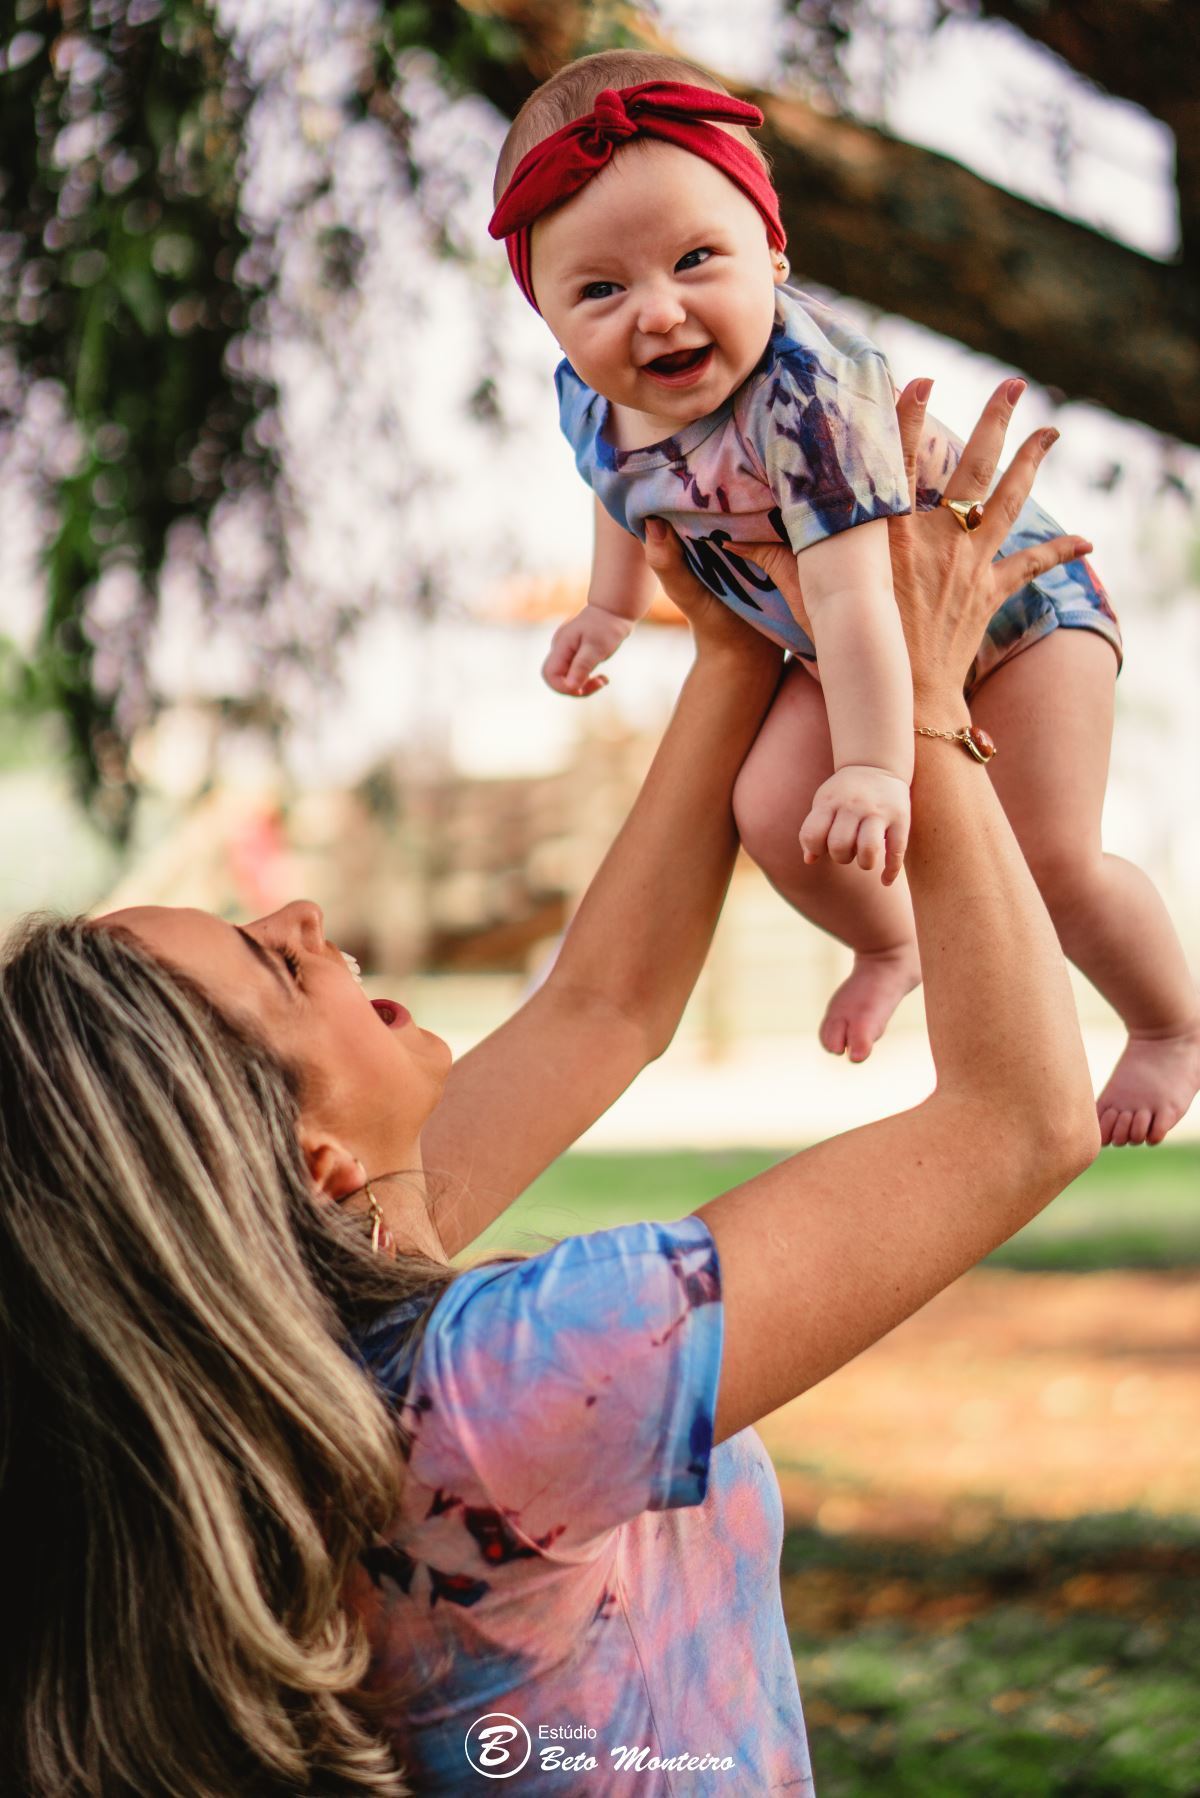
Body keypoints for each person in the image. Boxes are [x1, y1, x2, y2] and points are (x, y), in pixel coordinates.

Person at [1, 380, 1099, 1795]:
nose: (303, 919)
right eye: (274, 971)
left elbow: (605, 1005)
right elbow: (1019, 1122)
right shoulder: (499, 1391)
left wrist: (725, 647)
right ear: (302, 1157)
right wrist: (929, 707)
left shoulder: (310, 1366)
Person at [489, 48, 1200, 1149]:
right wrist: (611, 608)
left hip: (1016, 617)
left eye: (695, 259)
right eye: (601, 288)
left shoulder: (809, 397)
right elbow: (619, 490)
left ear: (772, 253)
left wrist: (877, 765)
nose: (658, 312)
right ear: (546, 314)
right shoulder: (593, 399)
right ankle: (890, 944)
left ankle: (1169, 1025)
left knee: (1049, 857)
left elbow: (870, 600)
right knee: (776, 813)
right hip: (835, 645)